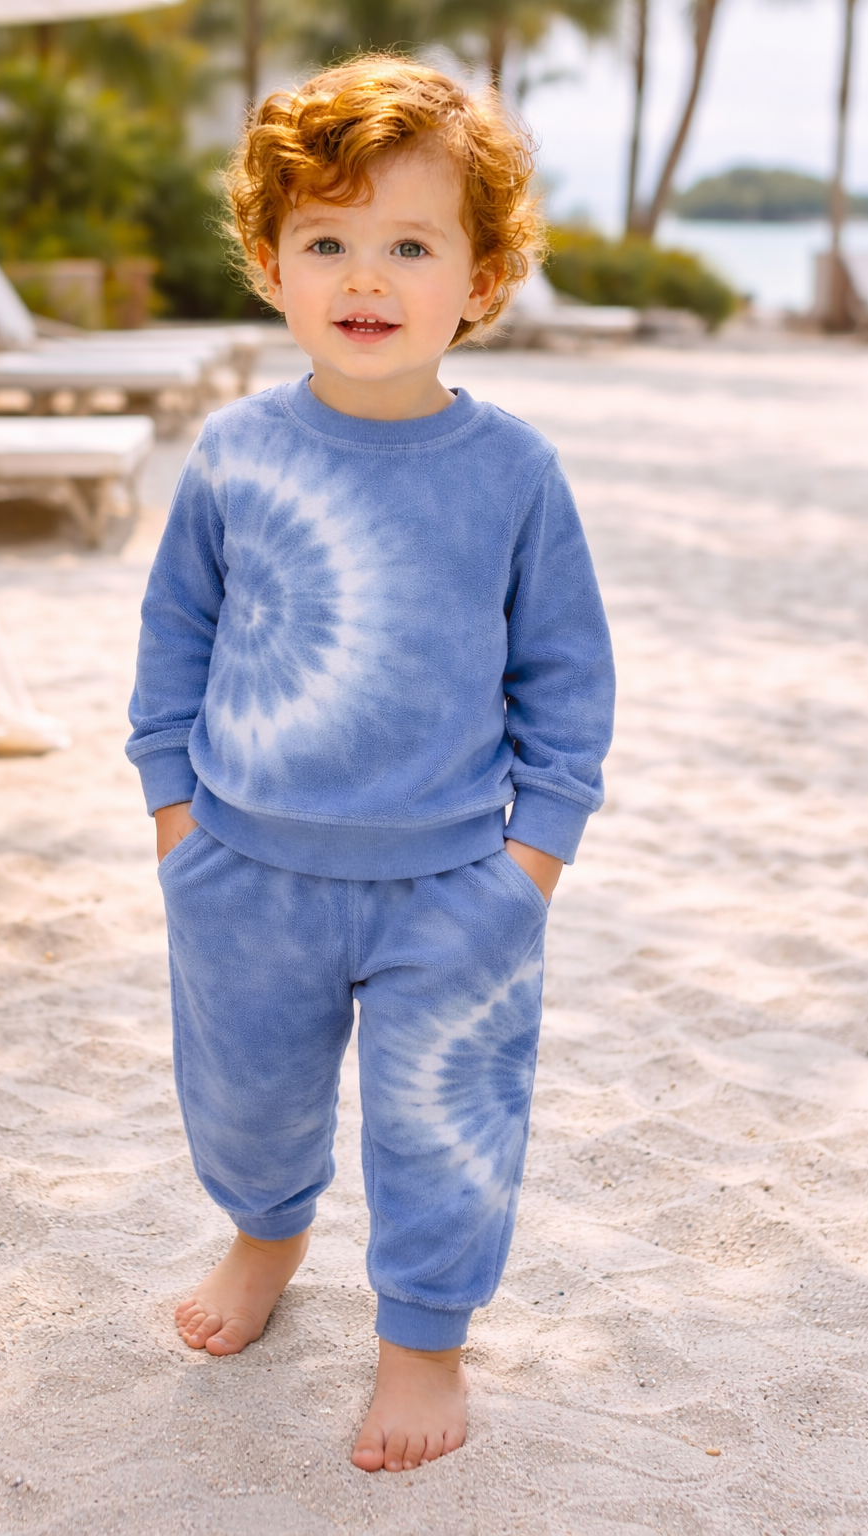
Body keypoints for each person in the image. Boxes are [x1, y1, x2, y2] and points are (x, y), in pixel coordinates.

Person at [126, 56, 614, 1474]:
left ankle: (422, 1342)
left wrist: (530, 866)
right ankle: (267, 1239)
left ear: (481, 276)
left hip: (451, 887)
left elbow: (566, 679)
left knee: (445, 1122)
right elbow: (176, 641)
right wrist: (175, 820)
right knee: (243, 1096)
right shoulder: (232, 452)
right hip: (241, 869)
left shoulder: (513, 472)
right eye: (327, 240)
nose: (368, 274)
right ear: (274, 266)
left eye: (412, 243)